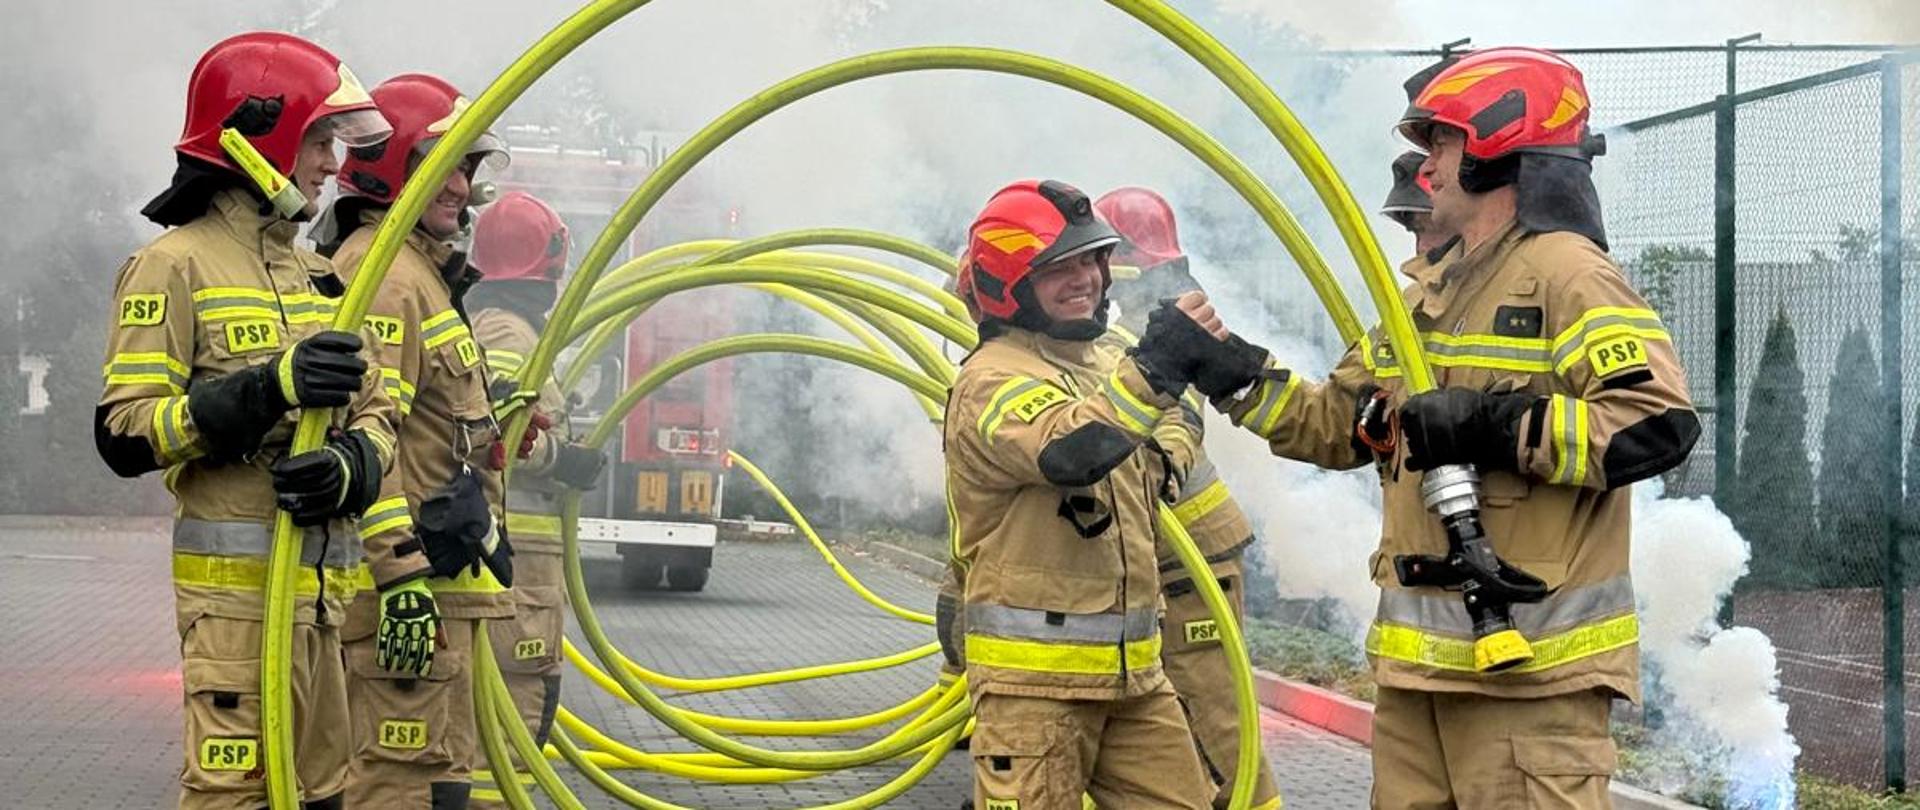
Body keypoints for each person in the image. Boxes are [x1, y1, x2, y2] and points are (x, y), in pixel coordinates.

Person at [1139, 47, 1701, 808]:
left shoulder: (1567, 273)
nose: (1425, 165)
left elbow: (1654, 425)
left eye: (1441, 141)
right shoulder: (1430, 295)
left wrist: (1493, 426)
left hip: (1528, 678)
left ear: (1498, 141)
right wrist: (1227, 368)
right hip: (1420, 678)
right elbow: (1336, 427)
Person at [95, 31, 400, 809]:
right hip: (236, 618)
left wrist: (354, 466)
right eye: (319, 139)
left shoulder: (319, 277)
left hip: (325, 609)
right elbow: (124, 434)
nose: (333, 162)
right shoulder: (172, 266)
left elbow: (378, 411)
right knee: (236, 798)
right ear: (259, 137)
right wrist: (266, 390)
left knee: (325, 793)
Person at [944, 179, 1215, 809]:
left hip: (1135, 680)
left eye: (1092, 260)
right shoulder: (991, 380)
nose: (1085, 279)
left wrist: (1174, 438)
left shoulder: (1096, 366)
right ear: (1008, 284)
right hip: (1035, 690)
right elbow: (1072, 451)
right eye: (1058, 268)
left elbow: (1149, 443)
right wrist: (1155, 371)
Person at [321, 73, 517, 809]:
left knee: (440, 785)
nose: (461, 186)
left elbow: (429, 424)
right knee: (395, 790)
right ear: (393, 165)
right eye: (445, 165)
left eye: (467, 168)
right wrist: (400, 575)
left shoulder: (420, 275)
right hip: (404, 600)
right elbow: (367, 435)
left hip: (440, 598)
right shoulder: (387, 279)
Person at [1092, 186, 1282, 810]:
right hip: (1168, 557)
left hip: (1192, 558)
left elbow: (1181, 421)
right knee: (1179, 723)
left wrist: (1154, 463)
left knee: (1216, 720)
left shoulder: (1162, 330)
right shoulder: (1122, 329)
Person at [462, 190, 607, 805]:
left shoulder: (507, 326)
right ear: (546, 263)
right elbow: (493, 427)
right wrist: (563, 462)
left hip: (522, 568)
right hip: (516, 569)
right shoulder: (508, 332)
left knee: (515, 720)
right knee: (512, 727)